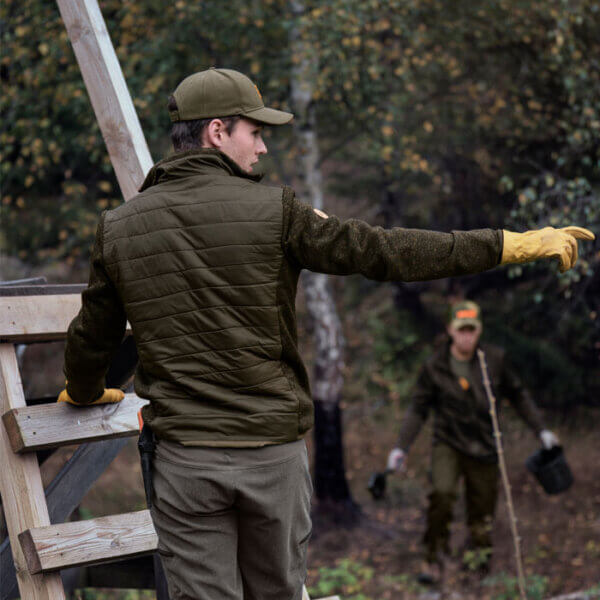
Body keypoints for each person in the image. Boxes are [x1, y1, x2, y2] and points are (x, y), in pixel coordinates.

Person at [58, 67, 593, 600]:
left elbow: (91, 337)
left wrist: (83, 391)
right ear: (217, 131)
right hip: (271, 461)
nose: (263, 149)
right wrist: (506, 244)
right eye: (256, 132)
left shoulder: (119, 225)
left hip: (185, 463)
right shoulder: (277, 211)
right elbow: (386, 251)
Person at [386, 300, 561, 584]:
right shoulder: (435, 367)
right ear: (450, 330)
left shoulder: (494, 359)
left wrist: (541, 430)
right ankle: (433, 559)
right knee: (441, 496)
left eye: (471, 330)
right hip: (449, 443)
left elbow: (518, 395)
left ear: (478, 331)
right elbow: (418, 408)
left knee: (482, 515)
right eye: (461, 330)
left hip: (485, 446)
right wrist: (400, 448)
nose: (466, 335)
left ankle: (477, 566)